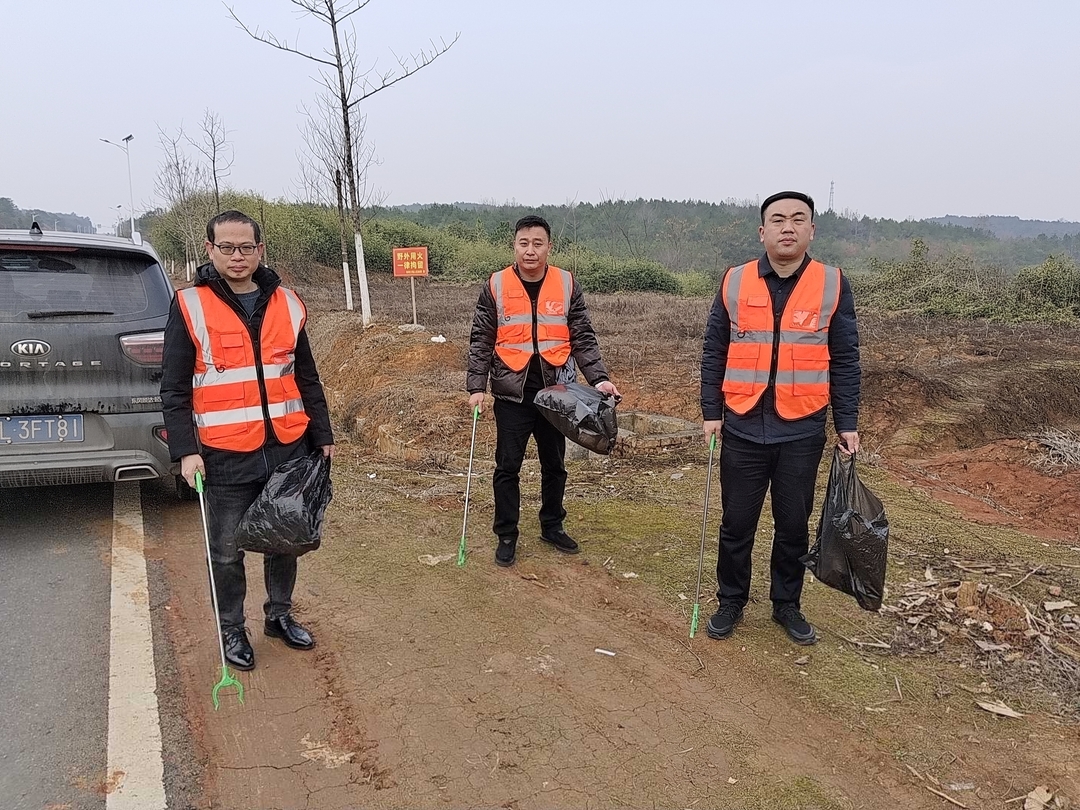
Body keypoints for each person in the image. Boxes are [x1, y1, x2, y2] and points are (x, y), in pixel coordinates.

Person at [161, 210, 335, 671]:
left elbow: (307, 376)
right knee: (226, 549)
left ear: (260, 250)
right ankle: (232, 629)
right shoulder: (189, 304)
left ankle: (279, 615)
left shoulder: (288, 302)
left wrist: (323, 434)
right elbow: (174, 387)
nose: (238, 257)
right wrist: (185, 450)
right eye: (227, 248)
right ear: (210, 249)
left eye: (246, 248)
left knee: (285, 536)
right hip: (223, 453)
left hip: (287, 447)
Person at [700, 191, 860, 646]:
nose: (787, 227)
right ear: (762, 231)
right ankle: (731, 599)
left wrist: (847, 423)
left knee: (793, 524)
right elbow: (715, 349)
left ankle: (786, 604)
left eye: (798, 219)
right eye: (777, 219)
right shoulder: (734, 281)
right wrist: (712, 411)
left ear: (811, 230)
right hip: (743, 423)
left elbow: (845, 357)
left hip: (802, 426)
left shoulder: (832, 284)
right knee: (736, 522)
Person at [466, 215, 620, 567]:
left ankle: (552, 524)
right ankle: (506, 533)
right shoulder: (496, 285)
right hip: (512, 394)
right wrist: (476, 386)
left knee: (555, 465)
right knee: (508, 467)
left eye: (538, 244)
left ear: (549, 247)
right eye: (524, 243)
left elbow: (582, 336)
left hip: (556, 395)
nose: (530, 250)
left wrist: (598, 378)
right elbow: (481, 340)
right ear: (514, 246)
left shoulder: (566, 284)